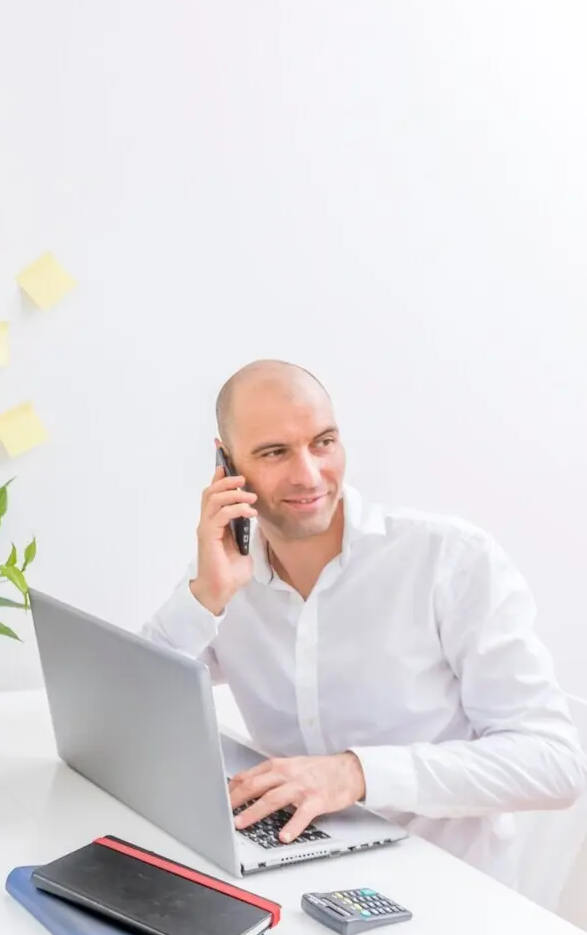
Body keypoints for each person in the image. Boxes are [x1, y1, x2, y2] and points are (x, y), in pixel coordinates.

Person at [140, 359, 587, 890]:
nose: (309, 475)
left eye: (323, 443)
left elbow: (555, 763)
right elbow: (136, 709)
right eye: (275, 452)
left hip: (446, 887)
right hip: (300, 873)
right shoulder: (225, 572)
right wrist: (204, 598)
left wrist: (356, 773)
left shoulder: (449, 560)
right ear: (226, 463)